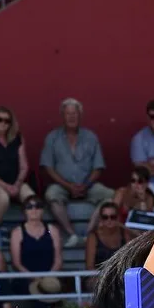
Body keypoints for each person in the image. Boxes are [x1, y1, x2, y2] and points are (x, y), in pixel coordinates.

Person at [40, 97, 115, 248]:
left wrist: (86, 185)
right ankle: (72, 233)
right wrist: (68, 186)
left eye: (74, 113)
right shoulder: (52, 138)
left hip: (88, 184)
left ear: (80, 115)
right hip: (62, 185)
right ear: (62, 116)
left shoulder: (90, 137)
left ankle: (89, 233)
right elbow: (48, 167)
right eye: (68, 114)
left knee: (111, 195)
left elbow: (98, 167)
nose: (72, 117)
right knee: (51, 194)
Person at [0, 106, 34, 227]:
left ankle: (32, 231)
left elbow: (24, 166)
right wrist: (6, 186)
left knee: (31, 200)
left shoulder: (17, 138)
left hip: (15, 182)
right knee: (3, 198)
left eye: (7, 121)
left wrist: (17, 184)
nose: (3, 123)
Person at [9, 195, 63, 308]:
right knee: (35, 291)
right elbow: (16, 263)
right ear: (24, 211)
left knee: (52, 287)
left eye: (38, 206)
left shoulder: (51, 230)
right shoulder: (18, 232)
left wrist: (47, 278)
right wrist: (35, 278)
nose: (34, 209)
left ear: (43, 210)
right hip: (26, 277)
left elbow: (58, 260)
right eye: (29, 207)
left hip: (50, 276)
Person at [85, 202, 124, 290]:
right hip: (98, 276)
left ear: (118, 217)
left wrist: (123, 226)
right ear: (101, 219)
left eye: (113, 217)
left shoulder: (124, 233)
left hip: (120, 275)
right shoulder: (93, 236)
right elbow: (89, 266)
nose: (109, 220)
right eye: (105, 217)